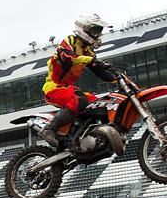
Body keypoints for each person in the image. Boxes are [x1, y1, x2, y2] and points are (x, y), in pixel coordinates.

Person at [39, 14, 125, 153]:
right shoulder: (70, 41)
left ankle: (88, 136)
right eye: (95, 31)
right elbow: (66, 56)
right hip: (53, 86)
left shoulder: (88, 51)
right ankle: (49, 129)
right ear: (84, 29)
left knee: (100, 103)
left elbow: (98, 71)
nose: (97, 34)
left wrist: (118, 79)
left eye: (99, 31)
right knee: (80, 99)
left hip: (68, 88)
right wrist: (90, 60)